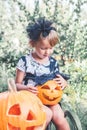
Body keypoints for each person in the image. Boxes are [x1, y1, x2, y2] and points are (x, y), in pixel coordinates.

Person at [15, 18, 70, 130]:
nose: (47, 52)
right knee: (47, 114)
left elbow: (57, 81)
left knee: (59, 117)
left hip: (50, 99)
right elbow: (16, 85)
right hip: (31, 99)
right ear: (32, 43)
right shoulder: (25, 61)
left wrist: (64, 83)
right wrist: (26, 88)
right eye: (43, 48)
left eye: (51, 48)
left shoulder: (53, 62)